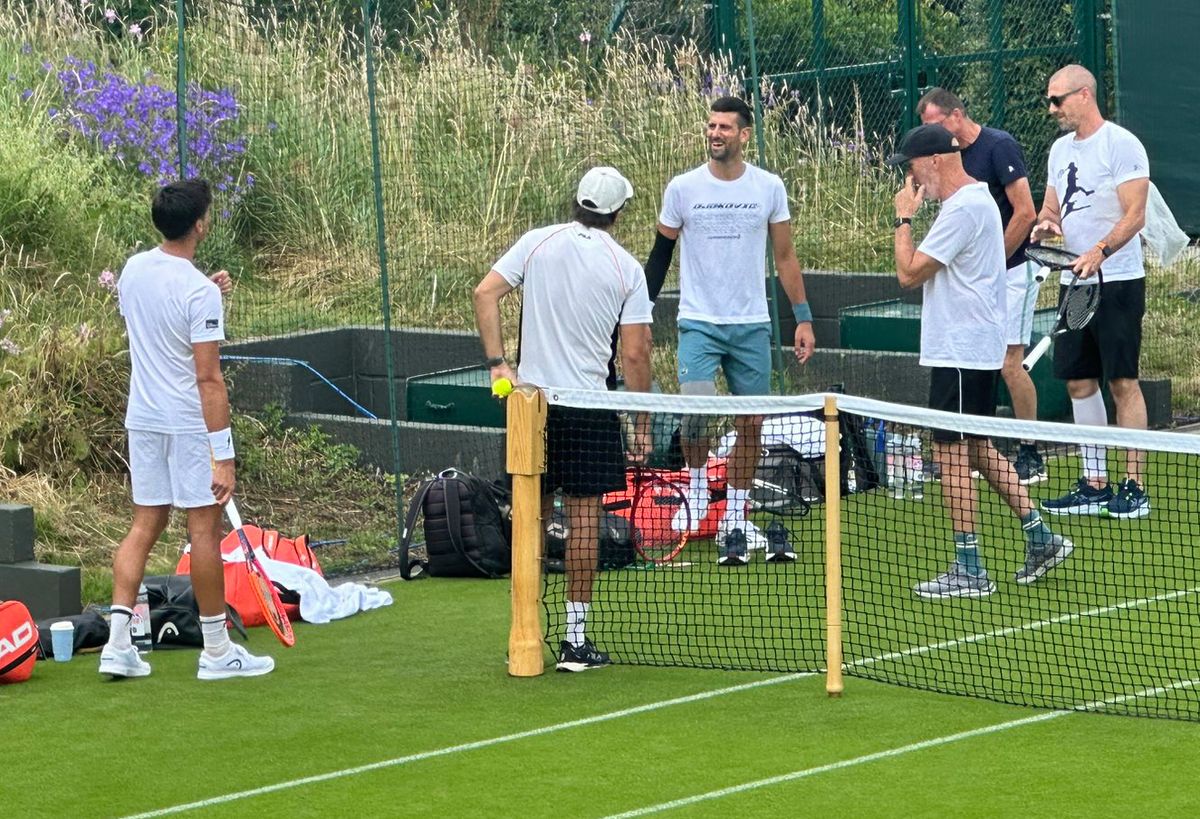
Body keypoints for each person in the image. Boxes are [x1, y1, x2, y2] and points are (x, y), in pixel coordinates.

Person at [474, 166, 653, 672]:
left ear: (577, 201)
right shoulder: (627, 269)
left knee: (530, 513)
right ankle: (575, 640)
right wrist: (642, 423)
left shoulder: (536, 241)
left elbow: (484, 293)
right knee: (583, 521)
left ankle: (523, 631)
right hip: (589, 410)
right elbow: (637, 355)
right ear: (619, 212)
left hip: (531, 406)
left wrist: (498, 366)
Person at [889, 124, 1074, 598]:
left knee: (949, 455)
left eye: (911, 168)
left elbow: (908, 274)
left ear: (933, 160)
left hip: (961, 351)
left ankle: (969, 567)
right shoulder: (970, 204)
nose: (910, 180)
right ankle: (1040, 536)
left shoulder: (964, 208)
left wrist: (903, 220)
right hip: (971, 348)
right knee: (975, 447)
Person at [100, 179, 275, 680]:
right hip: (187, 423)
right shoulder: (198, 292)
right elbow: (208, 378)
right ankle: (218, 652)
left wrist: (207, 291)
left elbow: (156, 315)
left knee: (144, 525)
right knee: (203, 529)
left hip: (145, 419)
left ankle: (118, 645)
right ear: (200, 224)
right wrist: (224, 455)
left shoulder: (134, 271)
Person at [644, 95, 815, 566]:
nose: (715, 133)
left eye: (725, 127)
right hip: (698, 322)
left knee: (751, 424)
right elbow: (660, 255)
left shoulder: (769, 187)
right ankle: (698, 490)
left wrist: (802, 317)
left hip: (751, 326)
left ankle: (736, 516)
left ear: (744, 135)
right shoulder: (682, 188)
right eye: (711, 125)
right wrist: (640, 309)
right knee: (695, 414)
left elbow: (784, 257)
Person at [1032, 64, 1151, 519]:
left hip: (1117, 281)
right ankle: (1095, 482)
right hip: (1074, 283)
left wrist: (1101, 250)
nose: (1052, 108)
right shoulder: (1059, 150)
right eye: (1049, 100)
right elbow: (1051, 206)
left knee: (1122, 381)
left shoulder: (1122, 145)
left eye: (1057, 99)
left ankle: (1134, 486)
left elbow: (1135, 214)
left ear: (1085, 95)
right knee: (1080, 381)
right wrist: (1047, 224)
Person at [918, 88, 1045, 484]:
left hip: (1012, 271)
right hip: (978, 278)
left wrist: (990, 264)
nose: (931, 135)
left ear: (956, 116)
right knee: (986, 366)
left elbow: (1025, 212)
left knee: (1010, 362)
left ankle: (1030, 451)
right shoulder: (947, 161)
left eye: (935, 125)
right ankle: (975, 451)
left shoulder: (999, 146)